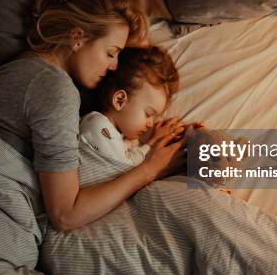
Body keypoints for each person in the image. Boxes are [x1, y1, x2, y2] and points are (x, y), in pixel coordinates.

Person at [0, 0, 190, 233]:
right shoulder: (56, 89)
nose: (115, 66)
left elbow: (142, 67)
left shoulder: (25, 67)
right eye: (111, 53)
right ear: (78, 37)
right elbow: (65, 215)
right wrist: (149, 169)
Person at [76, 45, 193, 187]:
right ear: (120, 100)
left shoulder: (117, 137)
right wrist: (151, 145)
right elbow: (127, 170)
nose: (151, 124)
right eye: (148, 114)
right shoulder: (96, 124)